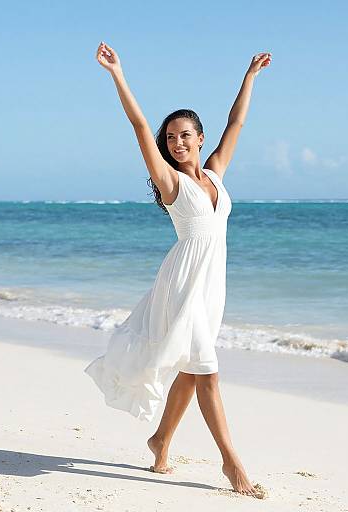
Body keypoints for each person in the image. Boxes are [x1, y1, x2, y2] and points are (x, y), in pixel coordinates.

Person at [85, 41, 271, 498]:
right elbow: (139, 125)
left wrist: (249, 77)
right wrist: (117, 74)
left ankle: (161, 441)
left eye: (185, 134)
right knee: (206, 370)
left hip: (211, 284)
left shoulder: (215, 174)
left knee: (192, 369)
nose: (177, 142)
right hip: (183, 283)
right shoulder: (171, 183)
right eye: (171, 138)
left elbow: (237, 122)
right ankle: (232, 464)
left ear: (200, 138)